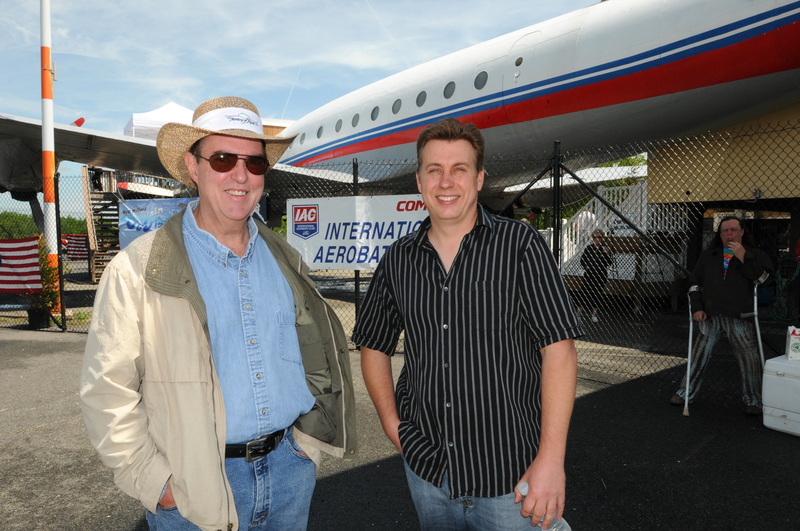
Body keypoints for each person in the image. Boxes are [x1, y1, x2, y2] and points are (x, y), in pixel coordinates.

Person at [79, 96, 356, 531]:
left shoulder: (286, 260)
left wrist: (307, 446)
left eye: (255, 163)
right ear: (193, 166)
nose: (241, 176)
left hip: (290, 472)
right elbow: (105, 392)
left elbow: (315, 356)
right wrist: (156, 482)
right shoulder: (137, 270)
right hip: (192, 491)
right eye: (224, 159)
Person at [352, 118, 583, 531]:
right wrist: (393, 426)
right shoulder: (398, 260)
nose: (446, 182)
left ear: (478, 179)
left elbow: (559, 351)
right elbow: (373, 344)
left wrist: (551, 459)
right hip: (428, 472)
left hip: (511, 475)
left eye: (459, 169)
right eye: (434, 170)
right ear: (420, 181)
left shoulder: (520, 247)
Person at [670, 216, 774, 415]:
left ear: (742, 232)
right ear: (720, 234)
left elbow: (765, 281)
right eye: (725, 231)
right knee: (698, 356)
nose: (729, 234)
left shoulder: (755, 255)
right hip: (710, 315)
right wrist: (696, 307)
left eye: (733, 230)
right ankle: (685, 393)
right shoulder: (708, 255)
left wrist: (744, 257)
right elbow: (695, 283)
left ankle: (754, 401)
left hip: (739, 316)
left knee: (749, 359)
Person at [578, 229, 613, 323]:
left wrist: (607, 254)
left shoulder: (605, 248)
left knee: (597, 294)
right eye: (595, 237)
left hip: (600, 274)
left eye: (599, 237)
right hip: (589, 274)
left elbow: (609, 263)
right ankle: (578, 315)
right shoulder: (589, 248)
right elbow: (582, 259)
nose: (597, 239)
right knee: (584, 292)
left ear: (602, 238)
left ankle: (594, 315)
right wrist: (586, 266)